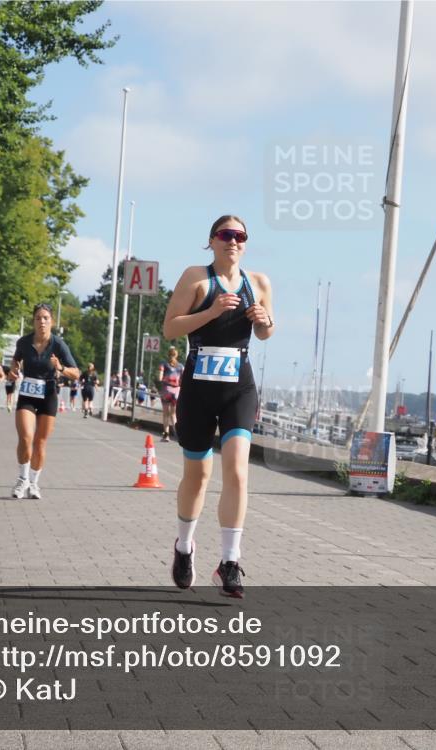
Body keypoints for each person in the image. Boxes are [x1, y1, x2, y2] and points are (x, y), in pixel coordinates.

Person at [163, 215, 274, 598]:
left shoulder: (258, 283)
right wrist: (210, 313)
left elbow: (265, 332)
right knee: (197, 476)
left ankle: (229, 561)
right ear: (211, 240)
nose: (234, 241)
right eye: (226, 235)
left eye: (240, 236)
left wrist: (264, 320)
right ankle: (184, 547)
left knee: (238, 472)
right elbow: (170, 328)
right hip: (198, 388)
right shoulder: (196, 277)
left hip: (238, 389)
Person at [9, 303, 80, 499]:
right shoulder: (23, 342)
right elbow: (16, 361)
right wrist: (14, 370)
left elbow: (76, 373)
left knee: (40, 442)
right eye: (38, 318)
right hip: (28, 394)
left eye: (46, 318)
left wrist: (60, 368)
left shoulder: (58, 344)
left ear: (52, 322)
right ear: (33, 321)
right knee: (25, 437)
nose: (42, 321)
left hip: (48, 394)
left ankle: (34, 483)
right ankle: (22, 479)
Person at [158, 346, 184, 442]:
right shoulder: (181, 366)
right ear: (176, 355)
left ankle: (166, 435)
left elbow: (159, 378)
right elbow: (183, 380)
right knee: (173, 414)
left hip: (166, 391)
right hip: (176, 392)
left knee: (165, 414)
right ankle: (178, 435)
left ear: (168, 354)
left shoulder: (163, 364)